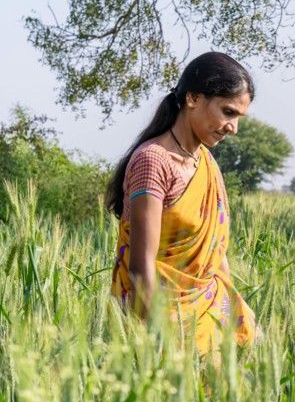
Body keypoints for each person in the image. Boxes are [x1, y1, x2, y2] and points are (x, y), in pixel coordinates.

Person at [107, 51, 257, 354]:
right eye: (228, 112)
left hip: (209, 314)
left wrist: (232, 313)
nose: (233, 128)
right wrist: (163, 341)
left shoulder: (206, 163)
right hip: (162, 321)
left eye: (238, 118)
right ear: (192, 99)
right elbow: (141, 267)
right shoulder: (153, 162)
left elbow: (215, 254)